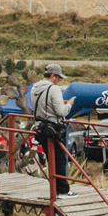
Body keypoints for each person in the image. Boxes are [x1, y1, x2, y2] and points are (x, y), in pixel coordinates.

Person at [27, 64, 72, 196]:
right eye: (58, 77)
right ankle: (62, 190)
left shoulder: (35, 87)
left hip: (40, 128)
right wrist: (69, 105)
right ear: (53, 76)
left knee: (50, 159)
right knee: (60, 159)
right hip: (53, 129)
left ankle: (54, 188)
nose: (59, 81)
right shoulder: (54, 89)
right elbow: (60, 111)